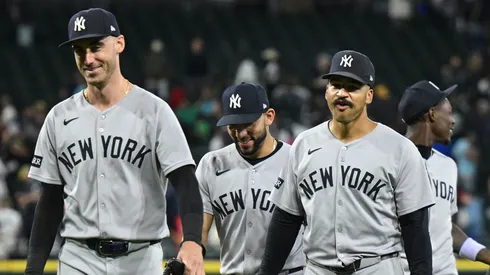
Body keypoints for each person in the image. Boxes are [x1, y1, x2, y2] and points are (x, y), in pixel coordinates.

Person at [24, 8, 205, 275]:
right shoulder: (58, 117)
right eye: (79, 50)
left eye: (96, 47)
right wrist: (33, 268)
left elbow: (186, 181)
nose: (88, 58)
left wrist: (192, 241)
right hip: (78, 258)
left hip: (141, 258)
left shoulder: (154, 111)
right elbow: (49, 200)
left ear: (119, 43)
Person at [257, 50, 435, 275]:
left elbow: (415, 228)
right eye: (336, 85)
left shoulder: (399, 148)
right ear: (326, 91)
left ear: (369, 95)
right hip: (317, 269)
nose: (342, 93)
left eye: (352, 87)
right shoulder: (303, 144)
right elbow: (286, 220)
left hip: (376, 268)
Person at [197, 82, 306, 275]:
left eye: (248, 124)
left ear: (269, 117)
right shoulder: (211, 164)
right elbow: (200, 230)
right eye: (233, 126)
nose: (241, 134)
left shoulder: (296, 161)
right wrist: (191, 254)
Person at [398, 80, 490, 275]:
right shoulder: (389, 163)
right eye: (448, 113)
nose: (452, 120)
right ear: (431, 114)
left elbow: (444, 227)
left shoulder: (448, 166)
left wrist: (485, 255)